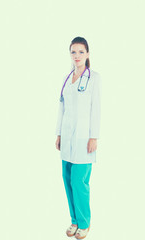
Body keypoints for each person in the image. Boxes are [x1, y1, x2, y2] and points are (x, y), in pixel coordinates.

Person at [55, 36, 101, 239]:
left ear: (88, 54)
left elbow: (96, 109)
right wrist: (58, 134)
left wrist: (94, 137)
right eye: (73, 52)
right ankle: (74, 220)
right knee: (67, 179)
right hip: (66, 138)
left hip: (84, 139)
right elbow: (61, 108)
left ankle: (84, 223)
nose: (77, 56)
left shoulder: (94, 78)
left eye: (81, 52)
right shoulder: (67, 78)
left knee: (79, 182)